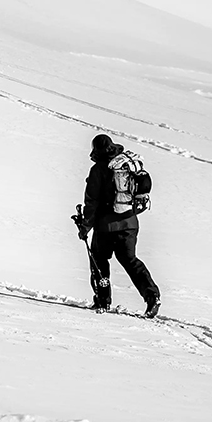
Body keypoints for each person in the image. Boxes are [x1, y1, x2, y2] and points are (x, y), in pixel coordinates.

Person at [76, 133, 160, 317]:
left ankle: (102, 301)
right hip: (130, 224)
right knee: (131, 261)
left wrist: (85, 227)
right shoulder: (126, 165)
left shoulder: (98, 169)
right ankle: (152, 296)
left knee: (99, 261)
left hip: (105, 227)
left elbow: (92, 201)